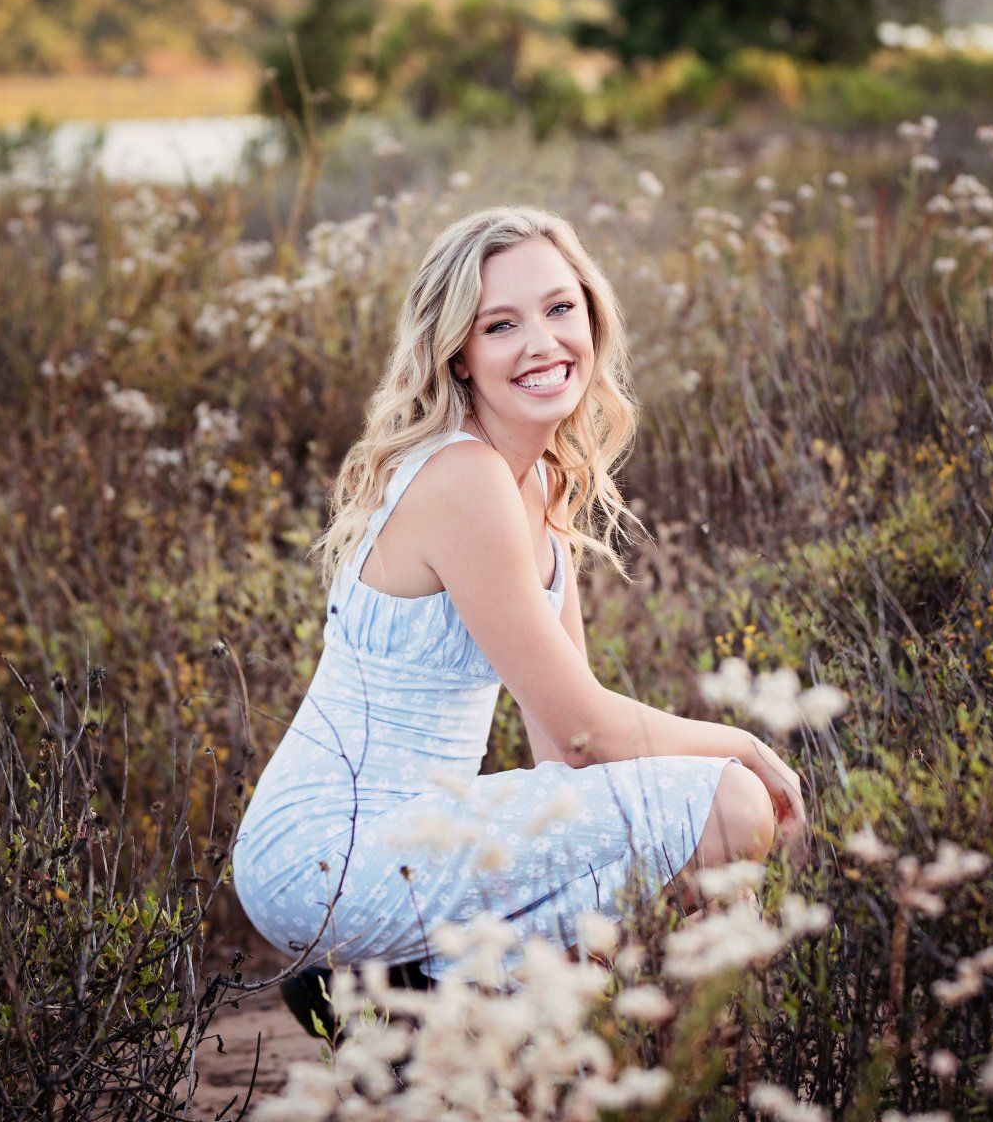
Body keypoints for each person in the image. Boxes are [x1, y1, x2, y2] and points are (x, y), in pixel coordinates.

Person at [231, 205, 807, 1037]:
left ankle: (441, 1003)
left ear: (592, 317)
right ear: (458, 354)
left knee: (682, 822)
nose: (542, 343)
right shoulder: (462, 476)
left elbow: (560, 751)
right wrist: (744, 745)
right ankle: (408, 994)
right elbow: (585, 732)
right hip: (328, 854)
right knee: (729, 801)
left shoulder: (536, 484)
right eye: (501, 324)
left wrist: (614, 885)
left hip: (405, 843)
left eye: (559, 308)